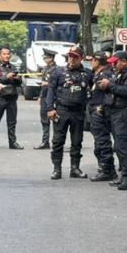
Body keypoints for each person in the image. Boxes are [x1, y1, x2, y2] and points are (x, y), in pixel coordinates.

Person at [97, 51, 127, 190]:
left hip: (125, 113)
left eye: (116, 62)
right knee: (118, 146)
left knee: (123, 147)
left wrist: (110, 85)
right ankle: (123, 176)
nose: (114, 65)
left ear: (124, 61)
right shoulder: (121, 74)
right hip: (116, 113)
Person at [44, 47, 92, 179]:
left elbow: (93, 92)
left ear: (81, 58)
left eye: (75, 56)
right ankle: (57, 169)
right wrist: (50, 109)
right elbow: (51, 91)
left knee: (77, 141)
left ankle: (75, 168)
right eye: (70, 56)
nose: (72, 59)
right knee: (58, 141)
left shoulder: (87, 73)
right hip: (61, 111)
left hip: (78, 112)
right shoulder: (58, 72)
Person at [89, 53, 117, 182]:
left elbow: (108, 93)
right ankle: (106, 168)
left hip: (100, 111)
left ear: (98, 62)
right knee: (100, 141)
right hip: (97, 110)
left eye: (93, 60)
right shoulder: (100, 74)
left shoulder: (104, 75)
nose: (91, 63)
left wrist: (102, 107)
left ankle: (107, 170)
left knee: (102, 142)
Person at [0, 47, 23, 150]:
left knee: (12, 122)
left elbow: (18, 83)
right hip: (0, 97)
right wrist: (6, 77)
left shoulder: (13, 67)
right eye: (4, 54)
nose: (6, 56)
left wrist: (17, 79)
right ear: (0, 55)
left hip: (12, 97)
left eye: (8, 54)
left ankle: (12, 142)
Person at [35, 49, 59, 150]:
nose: (45, 59)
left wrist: (47, 84)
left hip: (54, 97)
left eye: (46, 57)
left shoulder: (57, 70)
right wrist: (40, 96)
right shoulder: (45, 69)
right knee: (44, 120)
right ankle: (45, 141)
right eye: (44, 57)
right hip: (45, 96)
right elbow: (43, 85)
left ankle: (56, 141)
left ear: (52, 58)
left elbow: (57, 85)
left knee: (56, 120)